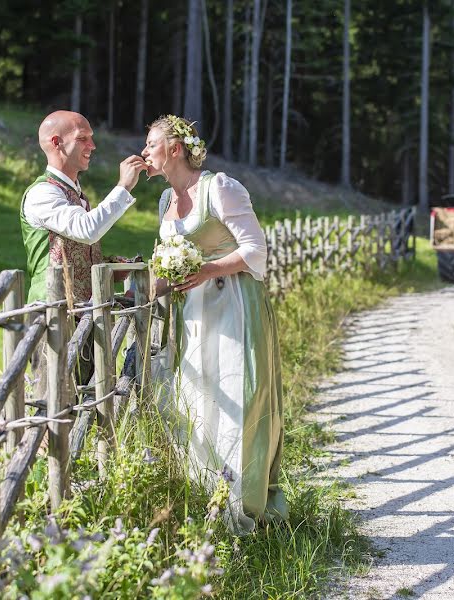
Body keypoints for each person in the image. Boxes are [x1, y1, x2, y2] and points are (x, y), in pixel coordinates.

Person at [143, 114, 287, 533]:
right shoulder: (163, 203)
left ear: (174, 149)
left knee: (236, 397)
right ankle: (208, 497)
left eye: (151, 144)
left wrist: (206, 270)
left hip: (234, 307)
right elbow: (164, 264)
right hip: (193, 315)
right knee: (198, 397)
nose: (144, 152)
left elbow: (256, 251)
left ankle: (243, 503)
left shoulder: (220, 188)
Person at [21, 110, 146, 399]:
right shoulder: (42, 193)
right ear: (57, 143)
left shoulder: (75, 194)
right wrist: (124, 187)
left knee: (80, 407)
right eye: (83, 139)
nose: (92, 146)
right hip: (52, 316)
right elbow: (86, 230)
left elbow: (76, 249)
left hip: (83, 316)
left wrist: (110, 266)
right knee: (50, 407)